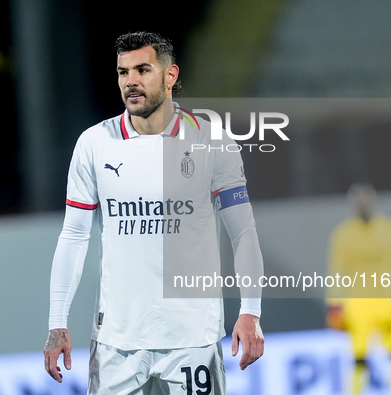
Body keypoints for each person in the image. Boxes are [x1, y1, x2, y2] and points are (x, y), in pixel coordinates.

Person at [43, 31, 265, 394]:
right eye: (122, 72)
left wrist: (251, 310)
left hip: (193, 339)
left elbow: (244, 232)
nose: (130, 81)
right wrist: (57, 322)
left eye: (143, 69)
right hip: (117, 342)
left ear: (170, 76)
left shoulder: (212, 141)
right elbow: (73, 236)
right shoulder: (94, 144)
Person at [326, 183, 391, 395]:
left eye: (366, 199)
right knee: (359, 358)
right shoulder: (343, 235)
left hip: (388, 300)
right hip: (358, 304)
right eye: (358, 200)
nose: (363, 204)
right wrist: (334, 304)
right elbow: (336, 271)